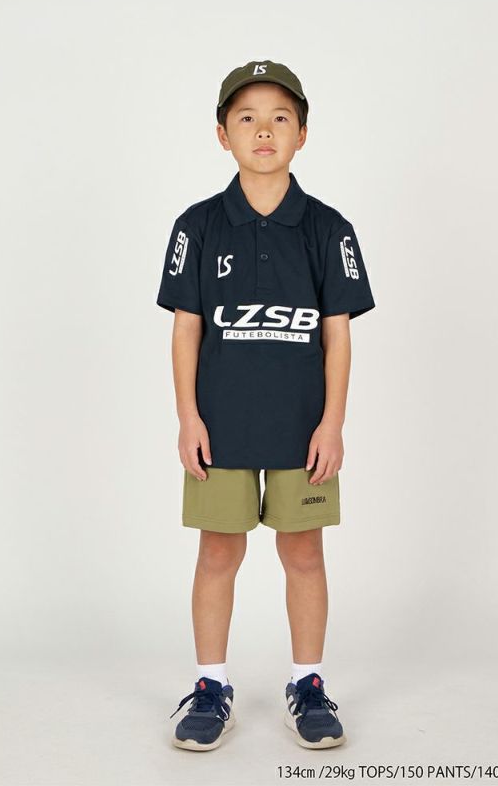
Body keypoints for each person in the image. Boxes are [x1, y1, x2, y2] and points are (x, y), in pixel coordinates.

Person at [157, 60, 375, 751]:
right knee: (218, 550)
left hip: (300, 429)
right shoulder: (197, 226)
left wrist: (332, 423)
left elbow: (338, 335)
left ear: (302, 134)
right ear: (222, 134)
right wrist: (189, 417)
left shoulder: (328, 228)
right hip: (220, 428)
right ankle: (210, 686)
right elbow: (185, 329)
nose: (263, 131)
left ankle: (307, 684)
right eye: (246, 118)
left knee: (303, 552)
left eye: (280, 118)